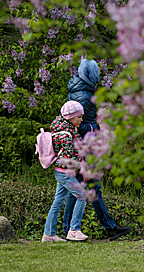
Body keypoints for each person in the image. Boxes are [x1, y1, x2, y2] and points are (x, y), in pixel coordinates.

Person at [63, 58, 132, 241]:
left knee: (78, 187)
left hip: (84, 145)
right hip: (85, 146)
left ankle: (67, 229)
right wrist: (98, 126)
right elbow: (79, 125)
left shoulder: (79, 90)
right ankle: (110, 228)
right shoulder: (84, 95)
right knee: (92, 186)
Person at [42, 100, 89, 242]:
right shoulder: (66, 134)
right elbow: (68, 158)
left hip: (61, 172)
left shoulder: (65, 129)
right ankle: (74, 230)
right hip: (65, 172)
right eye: (79, 117)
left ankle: (49, 234)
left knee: (58, 201)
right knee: (82, 196)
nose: (81, 120)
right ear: (70, 117)